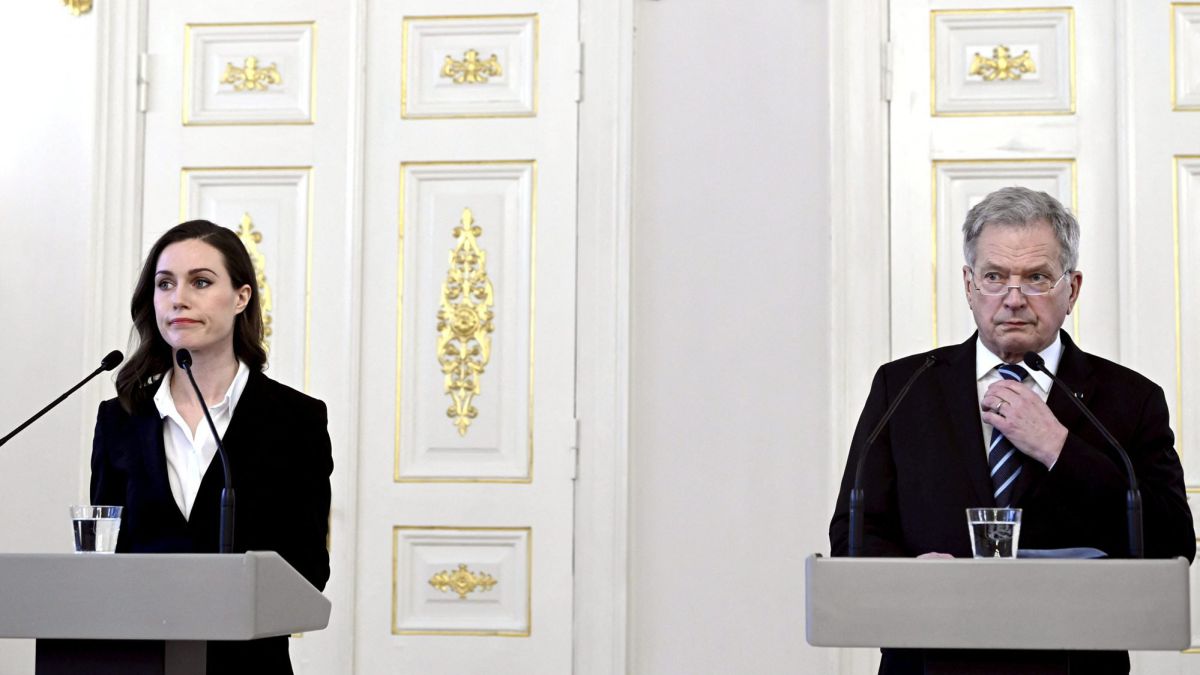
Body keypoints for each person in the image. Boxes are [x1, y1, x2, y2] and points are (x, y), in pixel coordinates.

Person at [829, 187, 1195, 674]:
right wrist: (911, 581)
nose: (1014, 299)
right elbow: (854, 534)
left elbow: (1172, 545)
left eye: (1037, 278)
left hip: (1072, 665)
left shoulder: (1131, 398)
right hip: (931, 660)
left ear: (1072, 289)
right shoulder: (904, 387)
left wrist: (1059, 448)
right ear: (969, 286)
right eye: (995, 277)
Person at [91, 220, 333, 673]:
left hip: (247, 664)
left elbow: (307, 568)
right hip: (139, 660)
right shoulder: (120, 419)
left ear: (241, 297)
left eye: (200, 282)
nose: (178, 298)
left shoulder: (295, 418)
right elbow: (105, 561)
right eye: (165, 284)